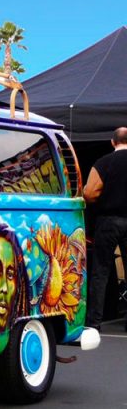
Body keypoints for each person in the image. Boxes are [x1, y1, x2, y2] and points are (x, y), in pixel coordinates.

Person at [83, 126, 127, 331]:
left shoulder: (103, 162)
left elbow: (89, 193)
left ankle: (94, 323)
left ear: (112, 142)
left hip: (108, 221)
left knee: (100, 271)